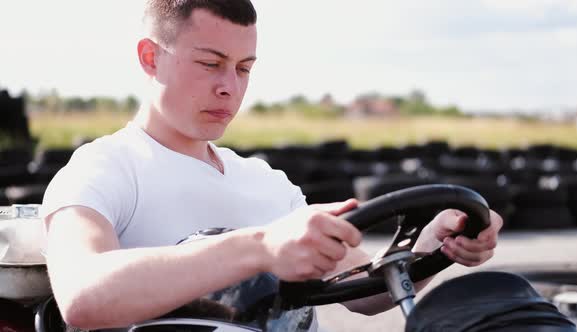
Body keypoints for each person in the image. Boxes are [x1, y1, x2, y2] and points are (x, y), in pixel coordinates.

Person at [41, 0, 503, 330]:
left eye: (244, 68)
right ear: (150, 58)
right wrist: (261, 247)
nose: (229, 87)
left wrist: (429, 250)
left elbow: (362, 290)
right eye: (209, 63)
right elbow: (82, 297)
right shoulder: (103, 168)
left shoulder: (267, 183)